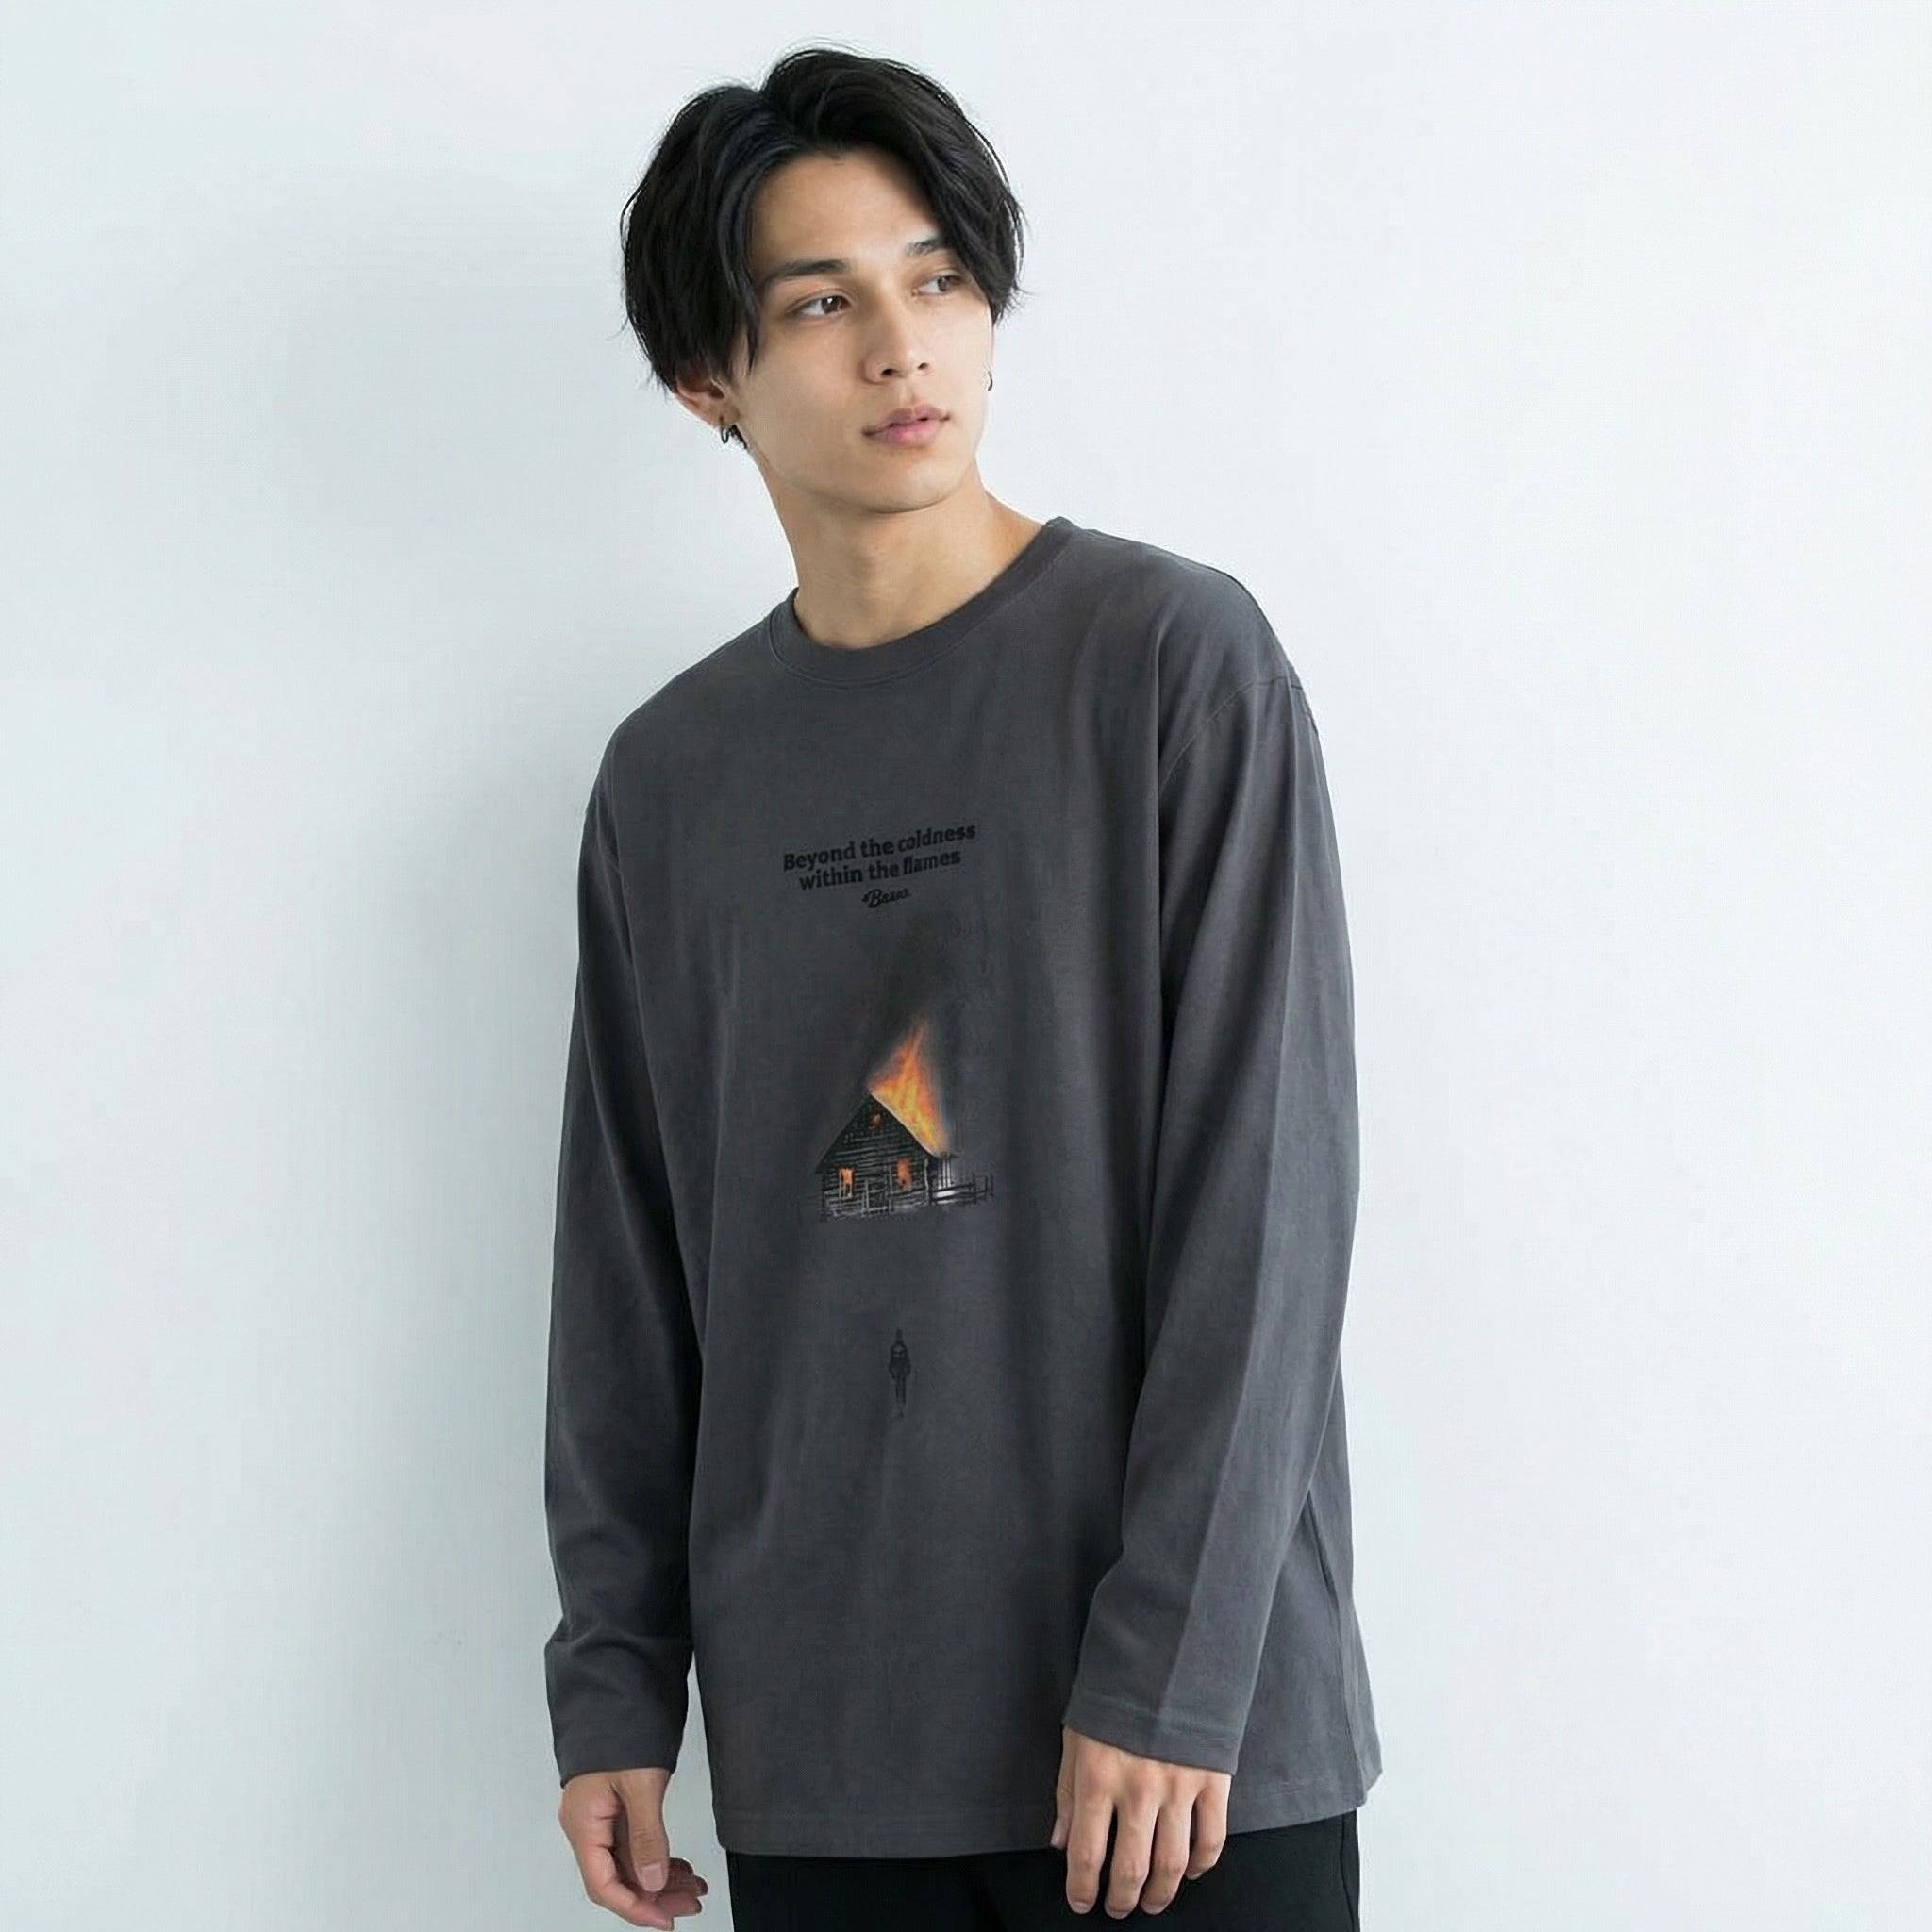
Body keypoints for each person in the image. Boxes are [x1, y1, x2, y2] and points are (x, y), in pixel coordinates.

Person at [542, 43, 1380, 1932]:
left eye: (937, 280)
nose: (901, 345)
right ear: (707, 381)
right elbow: (627, 1262)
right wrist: (614, 1674)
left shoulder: (1171, 663)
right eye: (819, 303)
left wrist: (1170, 1670)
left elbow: (1269, 1203)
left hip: (1186, 1766)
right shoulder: (671, 779)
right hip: (830, 1746)